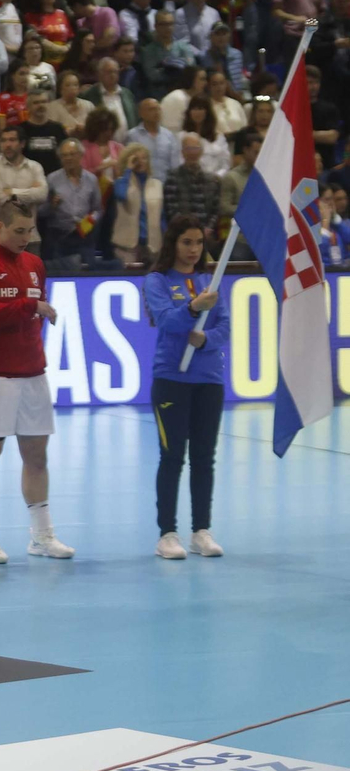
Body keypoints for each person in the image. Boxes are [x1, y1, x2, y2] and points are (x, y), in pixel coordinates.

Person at [0, 200, 74, 563]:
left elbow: (31, 315)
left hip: (33, 373)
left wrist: (31, 312)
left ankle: (41, 535)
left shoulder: (34, 265)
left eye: (30, 231)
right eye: (19, 231)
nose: (26, 238)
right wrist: (28, 307)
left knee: (37, 455)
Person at [145, 215, 227, 561]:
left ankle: (201, 531)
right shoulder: (157, 280)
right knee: (173, 456)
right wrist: (194, 307)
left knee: (204, 459)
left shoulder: (211, 280)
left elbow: (225, 326)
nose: (194, 250)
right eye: (187, 242)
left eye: (198, 243)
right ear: (173, 244)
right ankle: (167, 533)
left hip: (209, 380)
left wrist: (206, 338)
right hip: (171, 381)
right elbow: (165, 320)